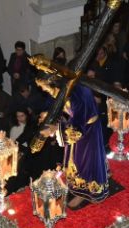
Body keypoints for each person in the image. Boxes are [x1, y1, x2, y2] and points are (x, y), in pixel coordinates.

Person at [36, 78, 109, 208]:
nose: (43, 89)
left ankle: (86, 192)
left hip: (87, 133)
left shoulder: (77, 94)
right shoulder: (67, 90)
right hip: (84, 128)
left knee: (84, 164)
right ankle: (80, 188)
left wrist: (54, 129)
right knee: (77, 160)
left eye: (44, 86)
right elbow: (66, 108)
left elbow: (77, 129)